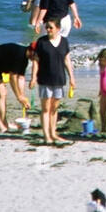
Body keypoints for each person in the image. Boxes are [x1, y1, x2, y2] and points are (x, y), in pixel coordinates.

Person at [29, 16, 74, 145]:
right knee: (45, 108)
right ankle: (46, 135)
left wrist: (72, 78)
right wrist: (33, 78)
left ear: (58, 29)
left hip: (59, 79)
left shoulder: (64, 42)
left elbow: (67, 60)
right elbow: (36, 62)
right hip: (44, 79)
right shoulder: (41, 42)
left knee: (54, 108)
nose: (48, 29)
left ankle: (53, 133)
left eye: (51, 28)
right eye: (47, 27)